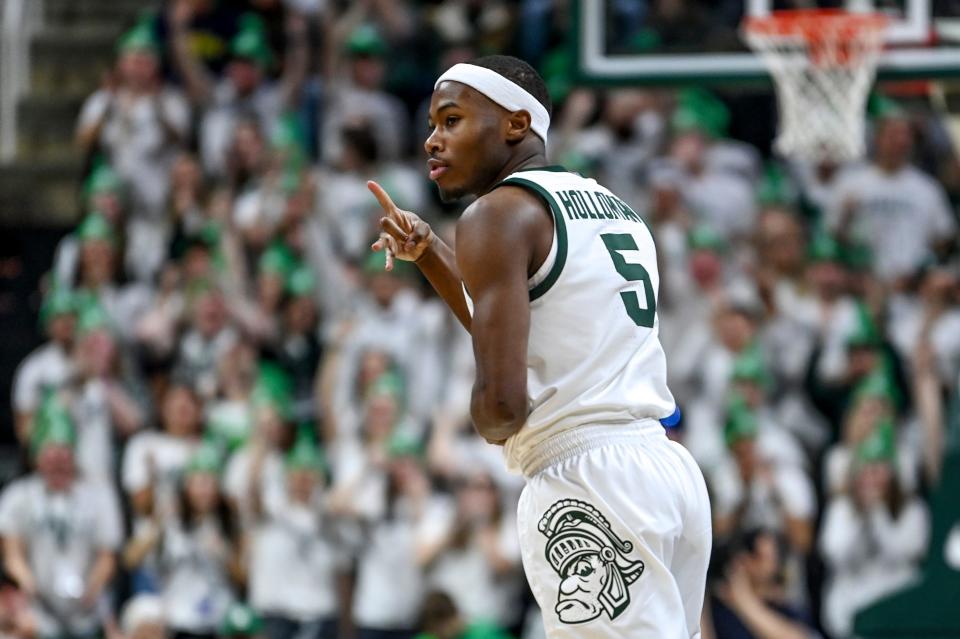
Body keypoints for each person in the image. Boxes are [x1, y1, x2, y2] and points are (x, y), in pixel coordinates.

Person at [367, 55, 711, 638]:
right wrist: (429, 254)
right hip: (664, 471)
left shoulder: (494, 215)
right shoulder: (614, 208)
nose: (432, 140)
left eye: (451, 120)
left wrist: (475, 419)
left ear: (515, 125)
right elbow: (529, 319)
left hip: (588, 482)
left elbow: (502, 408)